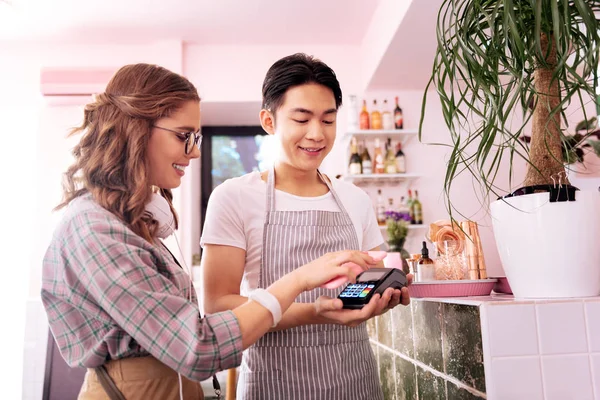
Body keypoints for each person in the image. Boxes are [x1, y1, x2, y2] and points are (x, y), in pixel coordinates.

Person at [40, 63, 379, 400]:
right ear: (134, 129)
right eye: (183, 136)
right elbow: (198, 347)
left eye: (197, 137)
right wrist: (301, 281)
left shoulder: (133, 225)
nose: (195, 151)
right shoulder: (95, 230)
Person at [201, 53, 412, 400]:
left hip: (354, 380)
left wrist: (385, 295)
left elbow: (370, 278)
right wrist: (314, 313)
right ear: (269, 121)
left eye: (328, 121)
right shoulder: (234, 197)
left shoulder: (354, 199)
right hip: (273, 382)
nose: (316, 135)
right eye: (301, 119)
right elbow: (218, 305)